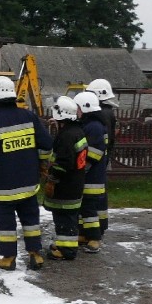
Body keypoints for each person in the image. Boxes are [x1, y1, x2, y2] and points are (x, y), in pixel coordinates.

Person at [0, 76, 53, 271]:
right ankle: (35, 254)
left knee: (6, 223)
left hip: (4, 186)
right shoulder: (29, 117)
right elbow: (46, 144)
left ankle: (8, 258)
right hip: (29, 182)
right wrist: (43, 163)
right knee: (31, 219)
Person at [43, 96, 88, 261]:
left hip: (66, 186)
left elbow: (63, 163)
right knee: (68, 217)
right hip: (75, 183)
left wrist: (52, 178)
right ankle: (63, 245)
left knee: (64, 218)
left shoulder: (67, 136)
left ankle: (67, 251)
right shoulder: (77, 131)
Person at [73, 91, 108, 254]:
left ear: (86, 108)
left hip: (92, 177)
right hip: (88, 177)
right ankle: (85, 234)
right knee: (83, 208)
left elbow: (94, 153)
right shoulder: (89, 125)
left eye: (77, 108)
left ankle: (94, 239)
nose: (76, 111)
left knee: (89, 209)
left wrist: (80, 169)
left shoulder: (93, 127)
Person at [85, 78, 117, 234]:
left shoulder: (101, 114)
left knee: (95, 197)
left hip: (98, 159)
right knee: (100, 195)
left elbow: (103, 140)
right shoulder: (108, 112)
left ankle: (96, 230)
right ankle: (100, 226)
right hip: (104, 156)